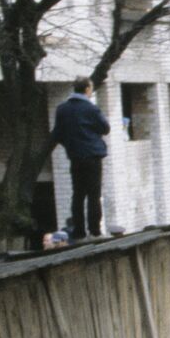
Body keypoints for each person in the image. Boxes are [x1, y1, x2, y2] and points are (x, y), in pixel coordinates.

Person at [51, 76, 110, 239]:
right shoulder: (91, 109)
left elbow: (57, 134)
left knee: (78, 194)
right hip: (92, 156)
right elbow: (105, 128)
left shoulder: (62, 109)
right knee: (94, 194)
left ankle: (79, 230)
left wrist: (70, 145)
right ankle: (95, 230)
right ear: (87, 89)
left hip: (75, 157)